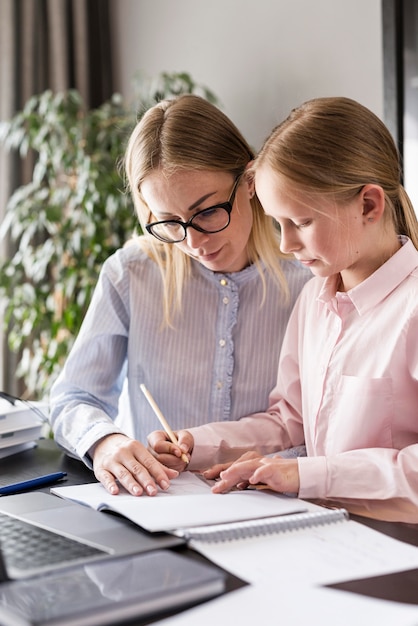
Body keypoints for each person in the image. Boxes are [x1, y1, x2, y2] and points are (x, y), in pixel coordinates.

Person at [149, 96, 418, 523]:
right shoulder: (314, 301)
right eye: (277, 223)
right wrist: (196, 445)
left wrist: (308, 474)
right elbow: (289, 423)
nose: (284, 245)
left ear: (369, 204)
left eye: (302, 223)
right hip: (322, 533)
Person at [49, 94, 310, 497]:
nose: (192, 241)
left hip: (271, 504)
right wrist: (105, 442)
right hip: (156, 506)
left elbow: (314, 426)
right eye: (169, 221)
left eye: (206, 212)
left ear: (250, 181)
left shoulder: (308, 280)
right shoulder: (132, 273)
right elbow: (74, 397)